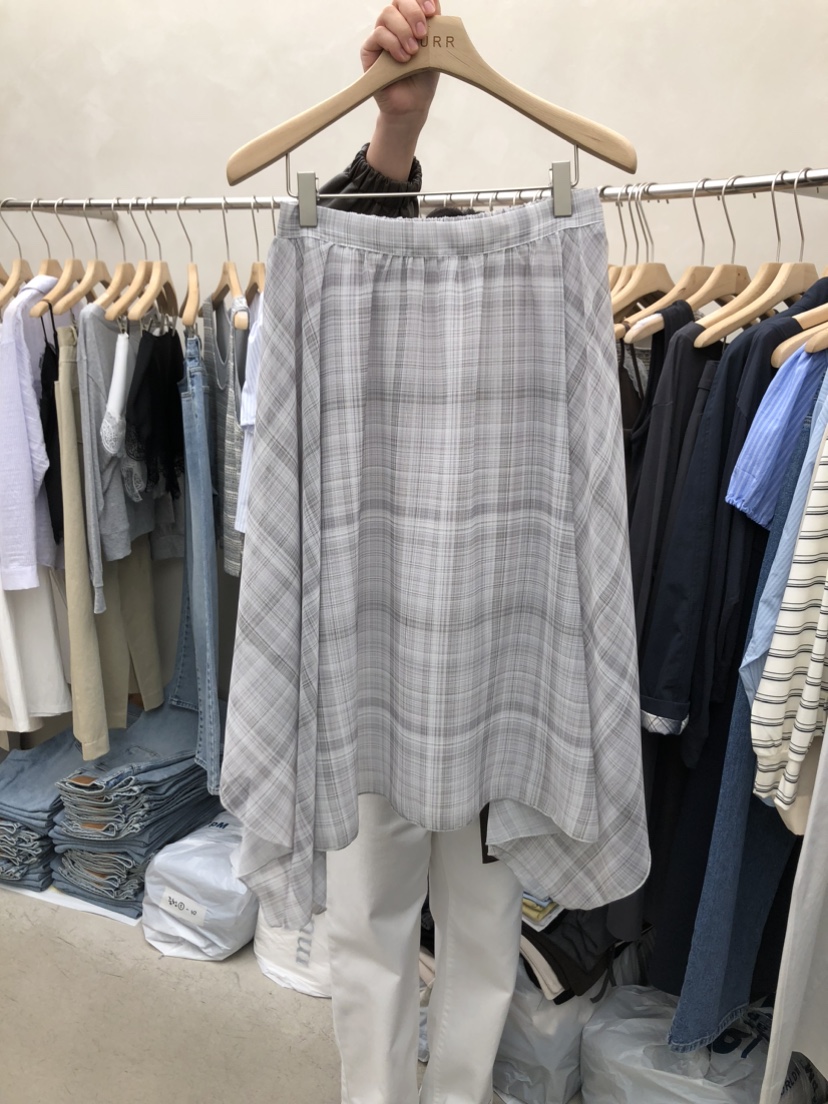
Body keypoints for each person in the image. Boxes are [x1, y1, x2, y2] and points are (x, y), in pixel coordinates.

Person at [319, 4, 524, 1104]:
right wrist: (396, 128)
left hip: (497, 670)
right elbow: (340, 261)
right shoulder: (361, 313)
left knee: (485, 928)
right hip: (376, 657)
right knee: (368, 919)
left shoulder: (545, 310)